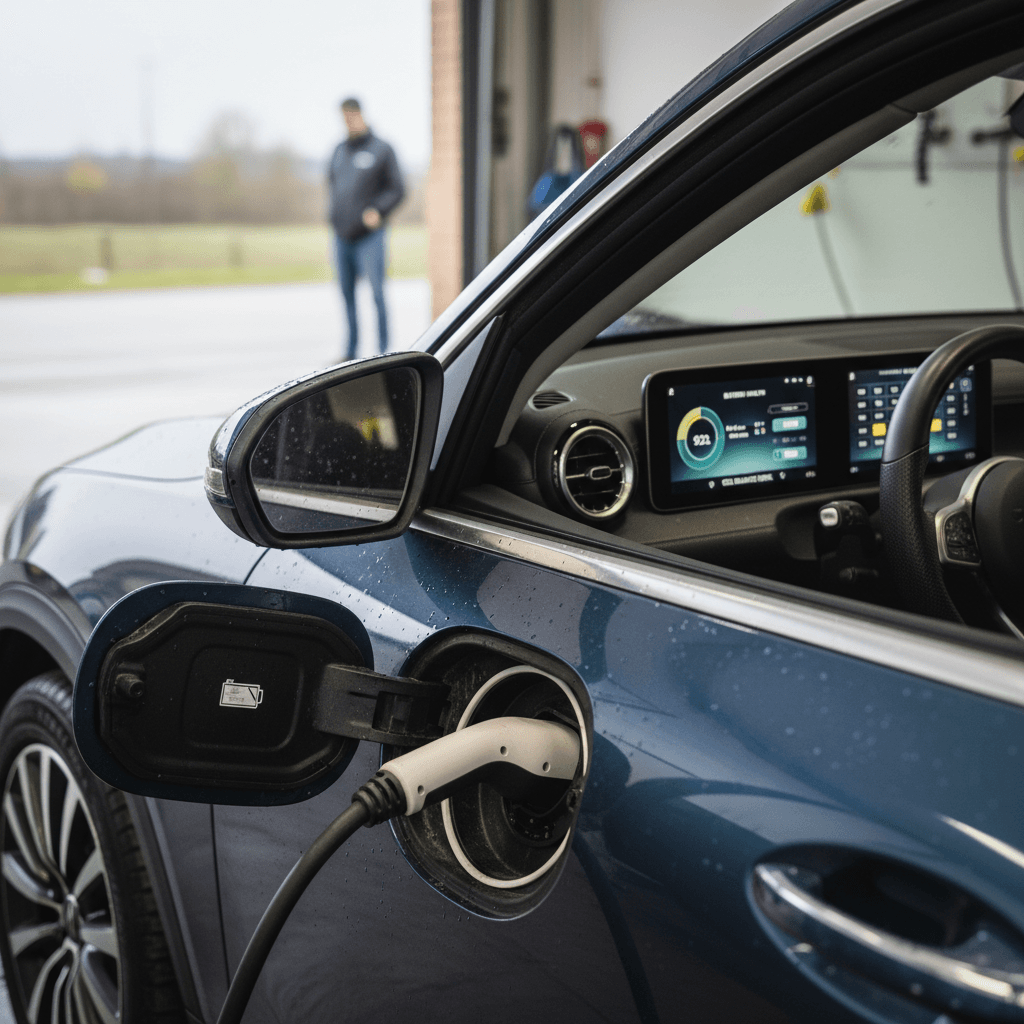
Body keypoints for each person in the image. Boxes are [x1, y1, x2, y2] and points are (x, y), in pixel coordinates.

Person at [327, 98, 404, 360]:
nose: (348, 122)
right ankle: (350, 352)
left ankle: (384, 353)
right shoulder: (339, 150)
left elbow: (398, 189)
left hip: (370, 237)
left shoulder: (381, 149)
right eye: (344, 118)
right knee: (347, 297)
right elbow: (332, 185)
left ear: (360, 115)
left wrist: (378, 210)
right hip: (341, 236)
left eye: (351, 117)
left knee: (377, 294)